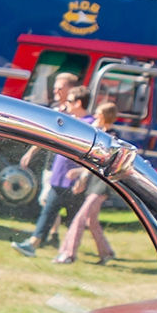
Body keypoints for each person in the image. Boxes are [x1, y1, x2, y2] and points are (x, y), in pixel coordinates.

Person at [12, 85, 90, 256]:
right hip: (59, 177)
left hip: (74, 181)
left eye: (69, 101)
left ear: (78, 103)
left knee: (74, 220)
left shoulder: (89, 125)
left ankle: (78, 252)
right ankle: (33, 244)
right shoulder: (70, 121)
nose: (66, 104)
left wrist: (82, 176)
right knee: (48, 212)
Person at [54, 101, 119, 265]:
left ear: (104, 116)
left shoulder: (112, 137)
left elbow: (101, 163)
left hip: (101, 185)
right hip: (93, 183)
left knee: (80, 218)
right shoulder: (101, 133)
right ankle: (107, 253)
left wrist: (80, 172)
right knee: (91, 220)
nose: (95, 116)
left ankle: (68, 253)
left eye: (98, 113)